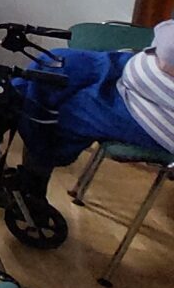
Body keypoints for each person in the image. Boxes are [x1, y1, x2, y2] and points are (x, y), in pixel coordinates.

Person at [12, 20, 174, 208]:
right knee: (56, 62)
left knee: (62, 112)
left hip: (155, 111)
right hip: (142, 72)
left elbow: (168, 48)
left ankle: (31, 189)